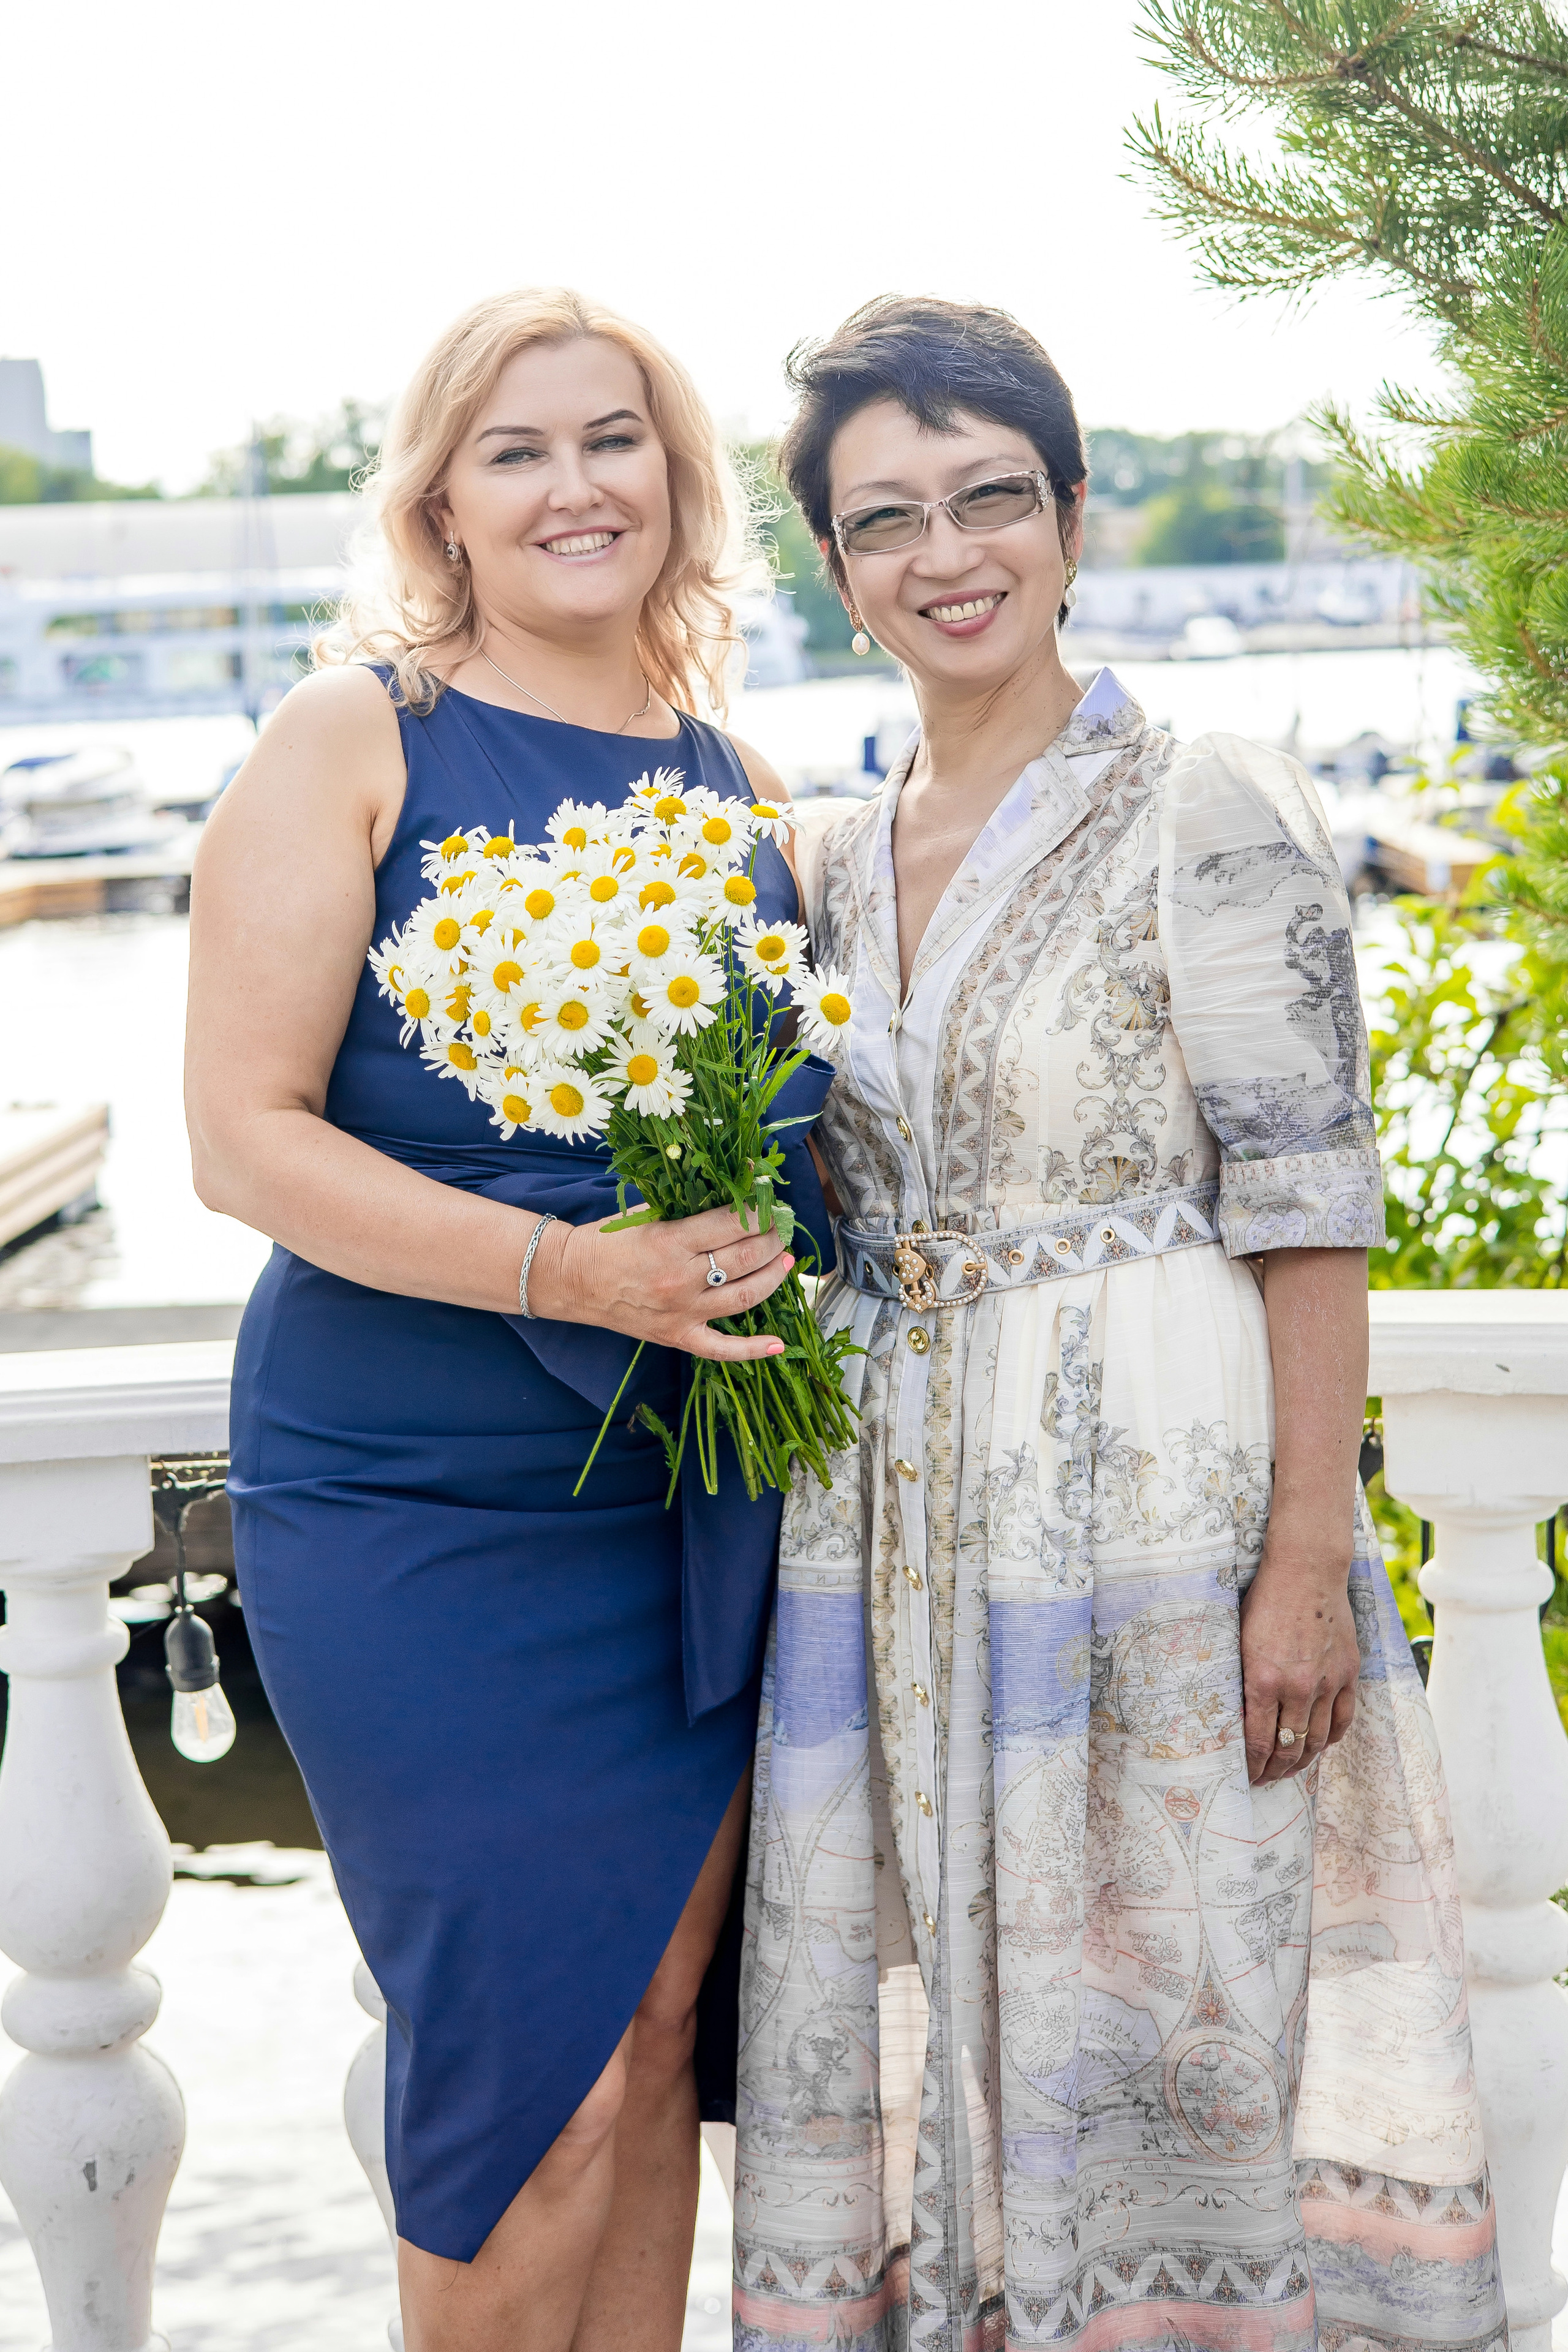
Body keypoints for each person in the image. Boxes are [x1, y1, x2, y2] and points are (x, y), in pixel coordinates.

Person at [735, 296, 1507, 2352]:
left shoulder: (1206, 803)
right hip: (894, 1525)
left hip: (1155, 1505)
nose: (947, 553)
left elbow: (1311, 1206)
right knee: (937, 1998)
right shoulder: (811, 866)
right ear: (834, 566)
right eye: (886, 517)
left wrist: (1310, 1567)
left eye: (995, 498)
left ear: (1076, 518)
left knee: (1171, 2001)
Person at [186, 287, 830, 2352]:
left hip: (684, 1508)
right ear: (442, 504)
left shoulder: (739, 777)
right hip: (417, 1511)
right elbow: (242, 1142)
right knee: (521, 2095)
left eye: (614, 439)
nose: (577, 487)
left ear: (678, 478)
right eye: (519, 450)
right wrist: (576, 1271)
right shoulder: (355, 737)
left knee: (652, 2054)